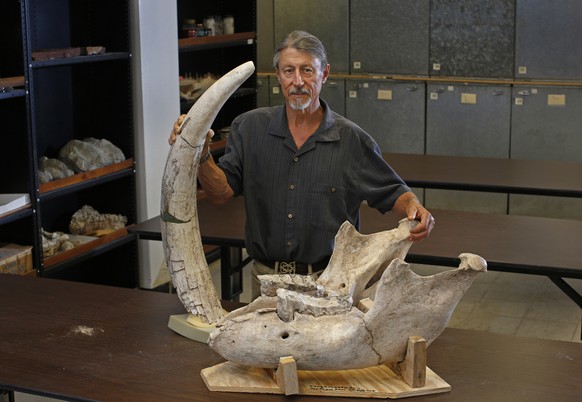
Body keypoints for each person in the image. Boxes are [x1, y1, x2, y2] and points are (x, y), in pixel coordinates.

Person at [169, 30, 435, 299]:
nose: (297, 81)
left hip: (329, 284)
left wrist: (414, 207)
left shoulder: (352, 140)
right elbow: (220, 193)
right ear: (278, 75)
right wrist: (199, 151)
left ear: (324, 74)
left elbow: (393, 192)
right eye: (289, 71)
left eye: (307, 70)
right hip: (265, 283)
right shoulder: (249, 128)